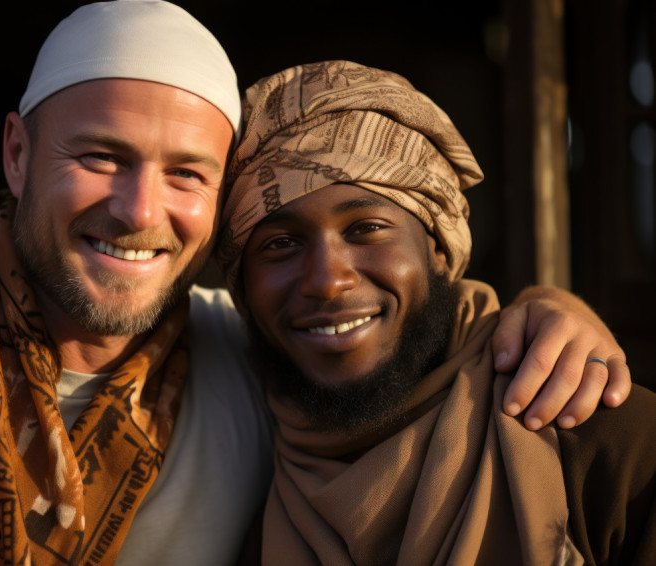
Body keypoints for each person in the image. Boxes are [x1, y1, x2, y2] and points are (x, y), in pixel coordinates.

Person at [0, 3, 631, 565]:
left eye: (187, 174)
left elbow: (412, 342)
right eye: (101, 157)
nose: (138, 211)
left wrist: (551, 311)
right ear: (17, 154)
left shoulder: (251, 355)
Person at [219, 60, 656, 565]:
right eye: (280, 243)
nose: (326, 280)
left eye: (366, 228)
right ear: (243, 288)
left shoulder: (604, 443)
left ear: (439, 250)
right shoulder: (240, 490)